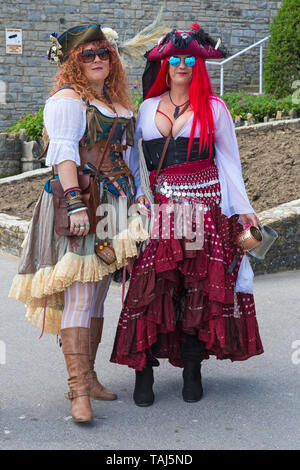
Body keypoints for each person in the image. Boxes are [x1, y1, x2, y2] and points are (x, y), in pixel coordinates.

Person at [110, 24, 264, 406]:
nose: (181, 64)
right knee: (149, 290)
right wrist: (135, 200)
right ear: (165, 64)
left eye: (189, 59)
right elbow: (134, 164)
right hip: (162, 211)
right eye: (175, 59)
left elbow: (229, 161)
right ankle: (141, 374)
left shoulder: (215, 108)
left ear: (198, 65)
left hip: (206, 208)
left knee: (197, 290)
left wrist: (244, 211)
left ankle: (192, 374)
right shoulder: (146, 108)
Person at [8, 23, 152, 422]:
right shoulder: (68, 101)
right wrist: (74, 205)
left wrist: (139, 197)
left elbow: (129, 156)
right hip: (84, 202)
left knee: (100, 294)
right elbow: (65, 155)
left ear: (112, 57)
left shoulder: (117, 102)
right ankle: (77, 392)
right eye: (86, 55)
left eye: (103, 53)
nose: (97, 60)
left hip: (117, 206)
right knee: (81, 296)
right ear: (72, 61)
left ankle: (88, 377)